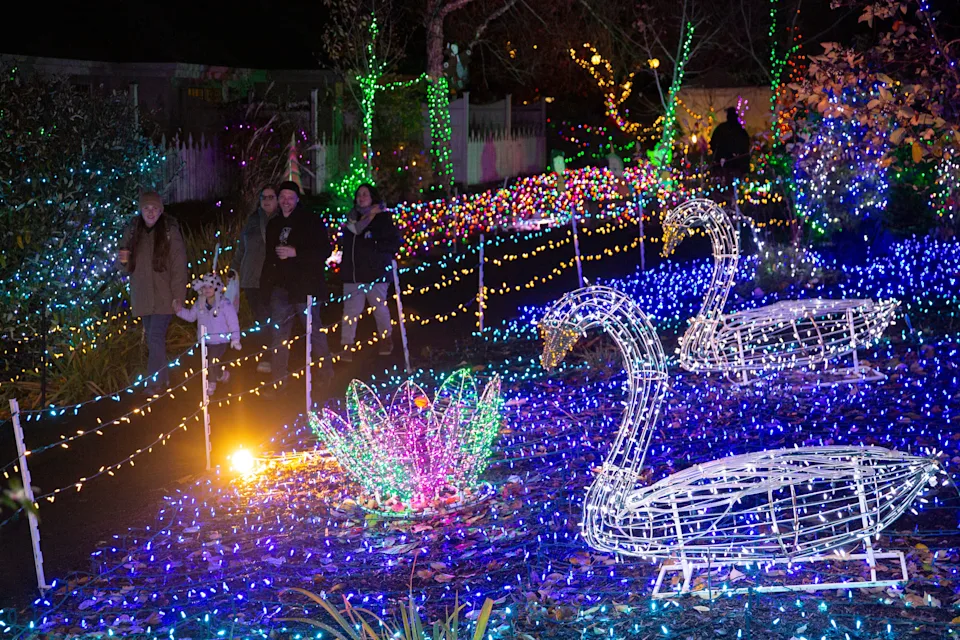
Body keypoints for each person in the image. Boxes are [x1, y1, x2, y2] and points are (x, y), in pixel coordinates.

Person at [260, 180, 334, 389]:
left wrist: (296, 253)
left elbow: (324, 251)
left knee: (314, 332)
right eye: (282, 197)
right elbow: (269, 258)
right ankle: (278, 381)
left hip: (305, 288)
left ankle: (325, 375)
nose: (285, 201)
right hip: (280, 289)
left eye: (289, 197)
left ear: (297, 199)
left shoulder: (310, 221)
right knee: (279, 336)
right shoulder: (274, 224)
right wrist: (265, 287)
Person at [118, 191, 189, 395]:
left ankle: (154, 383)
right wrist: (122, 260)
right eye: (147, 208)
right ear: (141, 209)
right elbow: (124, 265)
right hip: (143, 295)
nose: (151, 212)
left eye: (155, 208)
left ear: (161, 210)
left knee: (155, 338)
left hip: (164, 296)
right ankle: (164, 379)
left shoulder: (169, 231)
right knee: (153, 338)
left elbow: (179, 265)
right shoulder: (132, 231)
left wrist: (178, 296)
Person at [339, 184, 402, 361]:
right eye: (359, 194)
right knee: (351, 311)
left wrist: (374, 245)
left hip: (376, 273)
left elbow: (394, 243)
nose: (361, 197)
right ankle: (347, 345)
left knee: (379, 308)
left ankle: (386, 339)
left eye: (365, 194)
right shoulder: (352, 218)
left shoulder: (382, 218)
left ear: (372, 197)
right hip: (353, 273)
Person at [233, 185, 278, 373]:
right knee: (261, 317)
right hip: (251, 277)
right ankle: (267, 353)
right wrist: (234, 269)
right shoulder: (252, 220)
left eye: (270, 197)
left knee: (271, 316)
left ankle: (272, 355)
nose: (266, 200)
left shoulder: (282, 219)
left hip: (272, 278)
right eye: (263, 197)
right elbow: (241, 247)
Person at [176, 272, 242, 396]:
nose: (207, 290)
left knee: (212, 361)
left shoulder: (224, 304)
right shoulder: (199, 304)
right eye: (205, 287)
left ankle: (211, 384)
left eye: (210, 287)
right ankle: (221, 375)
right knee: (207, 363)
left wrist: (235, 339)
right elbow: (191, 316)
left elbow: (233, 321)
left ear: (216, 287)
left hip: (220, 341)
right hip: (205, 341)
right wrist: (180, 311)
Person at [709, 107, 751, 181]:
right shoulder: (740, 130)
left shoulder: (722, 129)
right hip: (732, 164)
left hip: (729, 164)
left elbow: (713, 144)